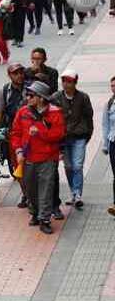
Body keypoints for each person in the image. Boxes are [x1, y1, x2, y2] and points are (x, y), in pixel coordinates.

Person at [10, 81, 66, 233]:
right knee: (30, 190)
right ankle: (35, 212)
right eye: (27, 95)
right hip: (28, 158)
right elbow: (15, 133)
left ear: (41, 98)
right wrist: (18, 151)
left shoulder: (55, 113)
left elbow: (58, 134)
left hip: (48, 158)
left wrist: (40, 131)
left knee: (46, 189)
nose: (27, 97)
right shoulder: (23, 112)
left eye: (31, 95)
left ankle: (44, 219)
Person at [54, 69, 93, 212]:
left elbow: (89, 117)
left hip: (79, 137)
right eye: (64, 81)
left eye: (69, 81)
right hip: (63, 138)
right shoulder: (56, 97)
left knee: (77, 166)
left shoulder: (83, 97)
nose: (66, 84)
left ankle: (77, 195)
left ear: (75, 82)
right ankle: (73, 192)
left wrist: (88, 133)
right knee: (68, 167)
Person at [102, 76, 115, 217]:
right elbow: (105, 125)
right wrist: (105, 144)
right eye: (112, 86)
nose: (113, 88)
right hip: (113, 142)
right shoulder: (109, 104)